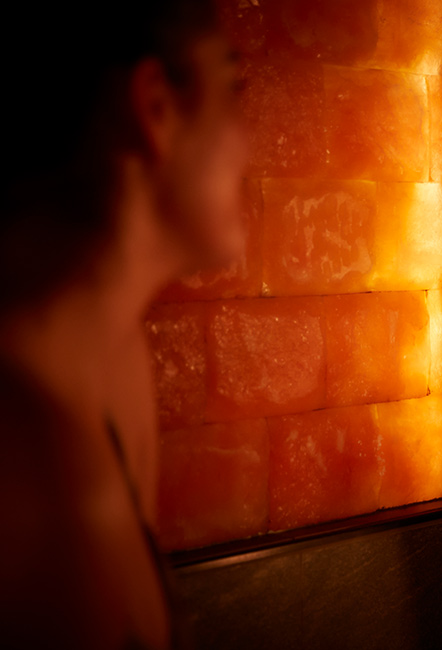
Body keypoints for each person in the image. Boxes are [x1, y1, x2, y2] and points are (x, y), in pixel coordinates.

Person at [0, 1, 247, 647]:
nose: (250, 144)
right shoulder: (33, 484)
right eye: (234, 90)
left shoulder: (113, 357)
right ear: (156, 108)